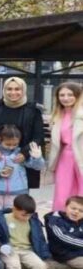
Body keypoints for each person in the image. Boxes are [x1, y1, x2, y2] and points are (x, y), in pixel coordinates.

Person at [0, 76, 46, 190]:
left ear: (23, 90)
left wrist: (25, 153)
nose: (13, 92)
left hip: (21, 160)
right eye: (9, 89)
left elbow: (38, 136)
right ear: (4, 90)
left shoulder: (33, 110)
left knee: (20, 197)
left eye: (17, 89)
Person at [0, 125, 44, 212]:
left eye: (15, 144)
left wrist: (37, 158)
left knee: (13, 217)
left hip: (18, 191)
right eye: (8, 144)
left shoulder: (20, 154)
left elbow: (37, 166)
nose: (11, 147)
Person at [48, 82, 83, 211]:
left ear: (78, 96)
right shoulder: (58, 115)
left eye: (70, 94)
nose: (65, 98)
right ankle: (60, 222)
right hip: (65, 157)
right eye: (62, 95)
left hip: (81, 156)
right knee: (62, 194)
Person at [46, 196, 83, 269]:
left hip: (78, 252)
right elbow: (63, 238)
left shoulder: (80, 222)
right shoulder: (55, 220)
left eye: (81, 211)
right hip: (64, 254)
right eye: (73, 208)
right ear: (66, 207)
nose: (76, 212)